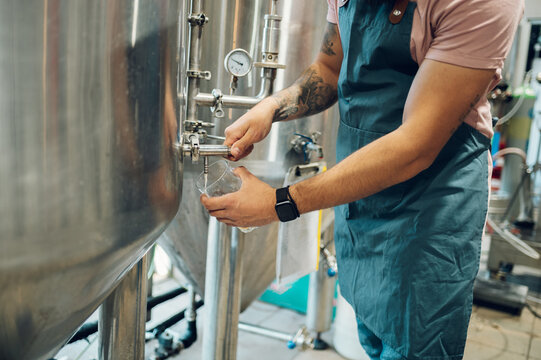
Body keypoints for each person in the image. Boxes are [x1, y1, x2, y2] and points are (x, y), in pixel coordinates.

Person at [201, 0, 524, 358]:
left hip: (431, 206)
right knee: (372, 326)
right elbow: (329, 67)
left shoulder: (482, 3)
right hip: (362, 196)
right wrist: (272, 107)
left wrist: (280, 203)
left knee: (416, 342)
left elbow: (415, 145)